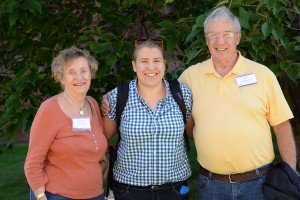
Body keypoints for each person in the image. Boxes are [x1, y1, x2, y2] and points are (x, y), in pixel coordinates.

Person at [178, 6, 297, 200]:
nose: (220, 41)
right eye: (213, 35)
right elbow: (182, 120)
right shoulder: (189, 78)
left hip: (258, 184)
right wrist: (111, 99)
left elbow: (282, 126)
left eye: (227, 34)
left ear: (238, 38)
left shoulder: (262, 75)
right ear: (206, 40)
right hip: (211, 186)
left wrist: (290, 176)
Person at [102, 39, 193, 200]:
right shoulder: (119, 96)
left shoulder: (181, 93)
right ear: (134, 65)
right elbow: (102, 139)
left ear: (164, 63)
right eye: (144, 61)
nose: (151, 67)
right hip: (130, 191)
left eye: (156, 61)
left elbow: (193, 133)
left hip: (175, 190)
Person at [24, 46, 108, 200]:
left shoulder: (93, 104)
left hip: (95, 194)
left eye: (84, 70)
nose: (79, 77)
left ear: (91, 73)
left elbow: (101, 144)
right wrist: (40, 195)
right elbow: (33, 163)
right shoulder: (49, 109)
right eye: (71, 72)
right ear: (61, 78)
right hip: (57, 195)